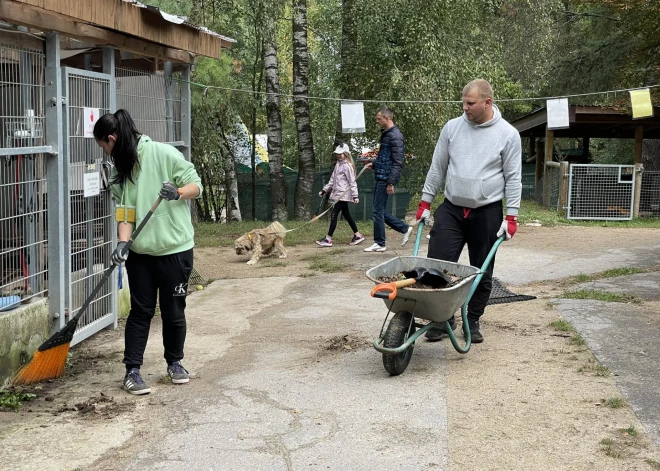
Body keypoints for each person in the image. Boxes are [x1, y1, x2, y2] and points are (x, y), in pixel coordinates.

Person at [94, 109, 203, 395]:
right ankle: (132, 370)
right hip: (141, 254)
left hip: (175, 249)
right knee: (140, 311)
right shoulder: (120, 171)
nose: (106, 154)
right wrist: (122, 242)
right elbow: (125, 211)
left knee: (173, 311)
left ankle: (175, 363)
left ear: (112, 139)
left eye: (104, 147)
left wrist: (178, 192)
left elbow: (196, 185)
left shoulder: (162, 154)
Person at [416, 79, 522, 343]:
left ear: (487, 102)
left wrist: (511, 217)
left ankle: (472, 320)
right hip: (452, 208)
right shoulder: (452, 128)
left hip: (486, 211)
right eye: (463, 102)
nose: (464, 108)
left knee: (481, 270)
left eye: (470, 103)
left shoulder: (508, 134)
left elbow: (513, 177)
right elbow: (437, 168)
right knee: (437, 265)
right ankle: (442, 319)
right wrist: (425, 203)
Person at [363, 107, 413, 252]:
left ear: (387, 118)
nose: (376, 121)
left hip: (385, 178)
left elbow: (398, 162)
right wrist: (373, 164)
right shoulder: (387, 135)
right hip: (381, 175)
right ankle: (403, 229)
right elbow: (385, 158)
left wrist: (391, 182)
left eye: (379, 118)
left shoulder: (395, 136)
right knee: (378, 210)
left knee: (377, 210)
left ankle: (380, 242)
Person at [316, 143, 365, 247]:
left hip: (343, 195)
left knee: (334, 215)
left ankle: (328, 239)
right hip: (337, 194)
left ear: (346, 154)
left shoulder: (347, 166)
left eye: (340, 154)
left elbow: (352, 182)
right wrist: (324, 190)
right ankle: (358, 235)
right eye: (337, 154)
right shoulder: (338, 164)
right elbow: (332, 180)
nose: (338, 155)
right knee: (346, 214)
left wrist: (355, 196)